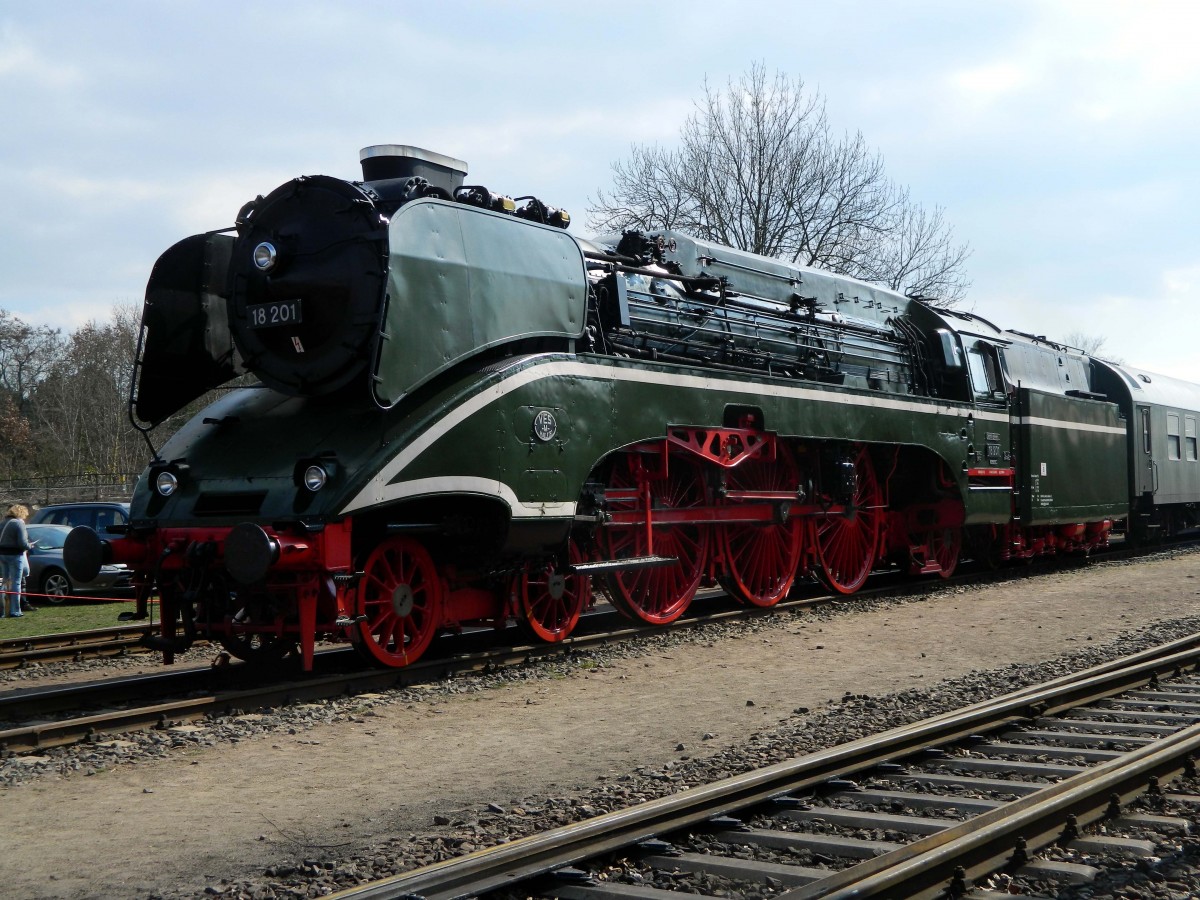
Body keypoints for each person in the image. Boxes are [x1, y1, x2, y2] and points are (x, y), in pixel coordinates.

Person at [0, 504, 33, 617]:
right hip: (15, 555)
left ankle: (2, 610)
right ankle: (15, 610)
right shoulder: (18, 523)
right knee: (16, 582)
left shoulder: (2, 523)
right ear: (21, 513)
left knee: (5, 582)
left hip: (2, 554)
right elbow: (22, 543)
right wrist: (30, 546)